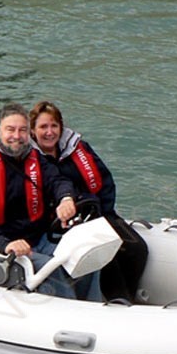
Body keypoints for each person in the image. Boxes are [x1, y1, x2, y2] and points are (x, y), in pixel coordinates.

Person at [0, 102, 101, 301]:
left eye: (22, 130)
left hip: (36, 239)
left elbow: (58, 181)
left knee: (86, 254)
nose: (17, 136)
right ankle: (70, 309)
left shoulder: (34, 158)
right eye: (10, 130)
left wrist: (65, 199)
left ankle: (92, 305)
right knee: (50, 269)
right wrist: (6, 244)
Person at [29, 100, 148, 302]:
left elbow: (105, 180)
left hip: (95, 214)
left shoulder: (79, 148)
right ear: (33, 131)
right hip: (59, 224)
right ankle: (116, 301)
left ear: (61, 127)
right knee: (105, 255)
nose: (49, 132)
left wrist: (104, 214)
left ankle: (128, 297)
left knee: (137, 249)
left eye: (54, 126)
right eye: (43, 127)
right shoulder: (30, 161)